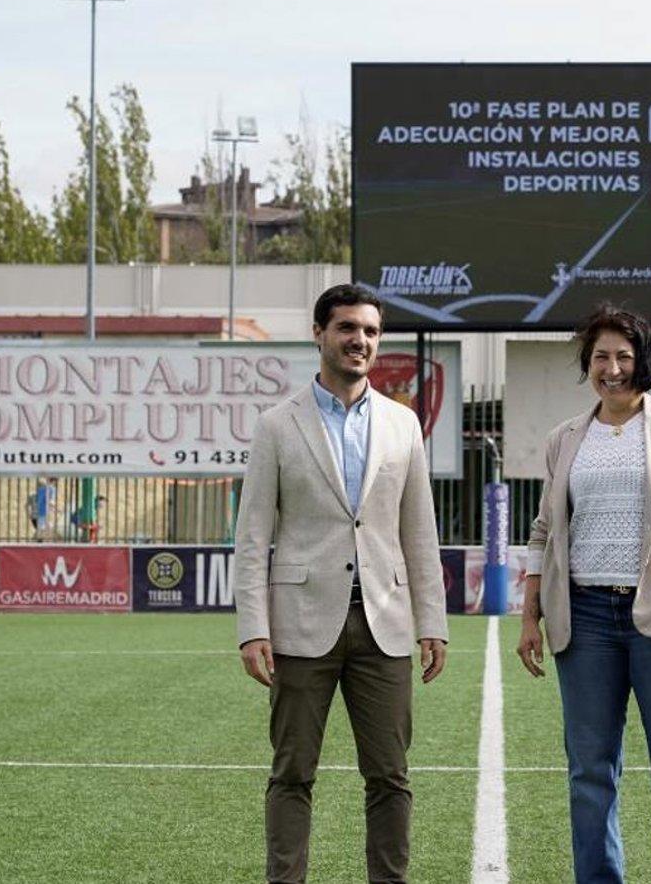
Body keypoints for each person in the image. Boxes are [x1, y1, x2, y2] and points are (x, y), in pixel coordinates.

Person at [234, 283, 449, 884]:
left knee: (389, 775)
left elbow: (419, 533)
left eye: (371, 332)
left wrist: (432, 621)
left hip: (385, 625)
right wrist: (253, 628)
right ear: (320, 335)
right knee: (293, 773)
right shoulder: (277, 426)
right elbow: (252, 537)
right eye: (348, 328)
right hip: (300, 627)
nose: (360, 341)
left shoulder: (404, 425)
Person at [516, 304, 651, 884]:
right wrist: (530, 615)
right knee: (589, 771)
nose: (612, 368)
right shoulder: (564, 438)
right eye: (600, 357)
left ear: (644, 361)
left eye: (624, 356)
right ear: (587, 363)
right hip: (583, 619)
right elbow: (543, 532)